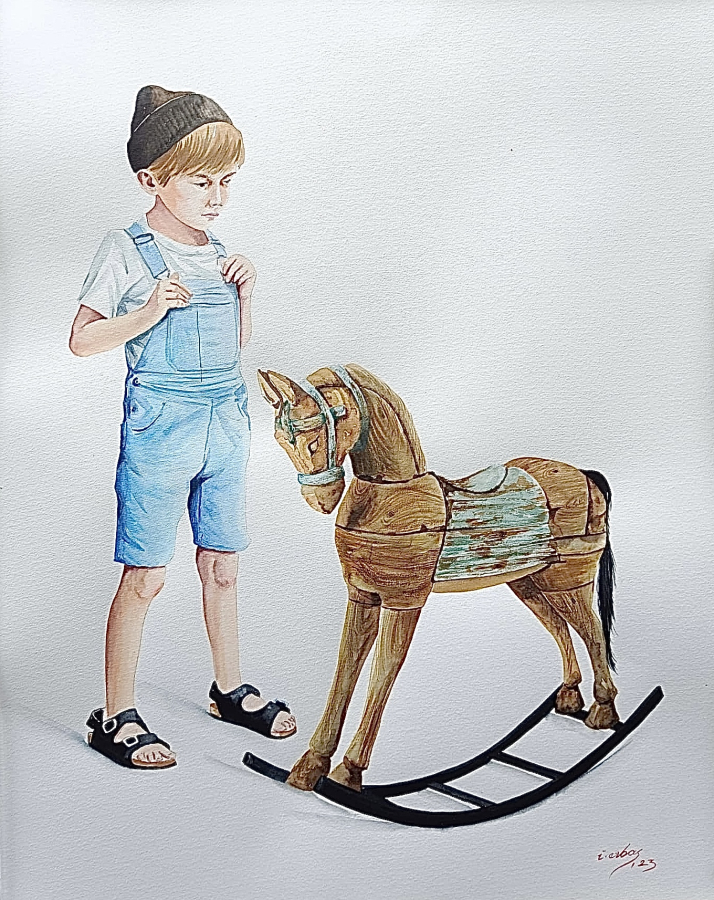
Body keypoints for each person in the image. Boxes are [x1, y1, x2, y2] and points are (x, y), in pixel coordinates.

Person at [69, 85, 296, 769]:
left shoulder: (219, 250)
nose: (218, 196)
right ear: (151, 180)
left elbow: (233, 348)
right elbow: (81, 340)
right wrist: (147, 312)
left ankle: (229, 689)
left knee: (222, 565)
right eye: (202, 181)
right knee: (146, 575)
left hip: (225, 420)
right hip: (162, 427)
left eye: (227, 180)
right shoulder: (125, 249)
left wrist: (246, 293)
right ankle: (115, 714)